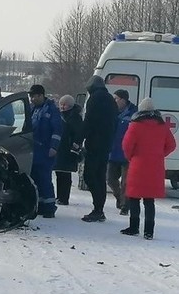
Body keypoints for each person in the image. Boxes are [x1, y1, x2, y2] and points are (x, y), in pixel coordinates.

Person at [120, 97, 176, 239]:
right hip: (155, 166)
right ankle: (149, 231)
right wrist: (159, 154)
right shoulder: (162, 126)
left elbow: (126, 145)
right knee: (149, 200)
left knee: (134, 198)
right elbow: (171, 145)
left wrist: (131, 156)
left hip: (138, 165)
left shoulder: (135, 125)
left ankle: (134, 227)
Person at [81, 75, 118, 222]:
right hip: (106, 144)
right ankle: (99, 209)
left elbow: (89, 121)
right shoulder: (110, 99)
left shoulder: (94, 99)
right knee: (100, 176)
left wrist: (79, 139)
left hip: (94, 144)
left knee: (90, 176)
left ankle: (97, 209)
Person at [28, 84, 62, 217]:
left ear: (41, 95)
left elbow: (57, 130)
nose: (31, 99)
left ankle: (49, 207)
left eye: (34, 96)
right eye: (30, 96)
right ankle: (40, 205)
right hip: (34, 150)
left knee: (44, 179)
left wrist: (54, 147)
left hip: (45, 150)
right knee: (35, 178)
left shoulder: (51, 110)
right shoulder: (33, 109)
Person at [108, 89, 137, 215]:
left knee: (126, 182)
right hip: (113, 151)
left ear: (123, 100)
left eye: (116, 99)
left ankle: (125, 206)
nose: (114, 101)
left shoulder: (134, 114)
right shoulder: (112, 112)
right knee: (110, 179)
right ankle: (120, 198)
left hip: (128, 154)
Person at [53, 95, 83, 205]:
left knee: (65, 174)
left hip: (68, 149)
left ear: (70, 105)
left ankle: (64, 197)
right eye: (61, 104)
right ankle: (60, 196)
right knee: (59, 173)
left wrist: (75, 146)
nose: (62, 106)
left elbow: (78, 133)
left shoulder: (75, 117)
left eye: (64, 105)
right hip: (61, 148)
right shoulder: (60, 116)